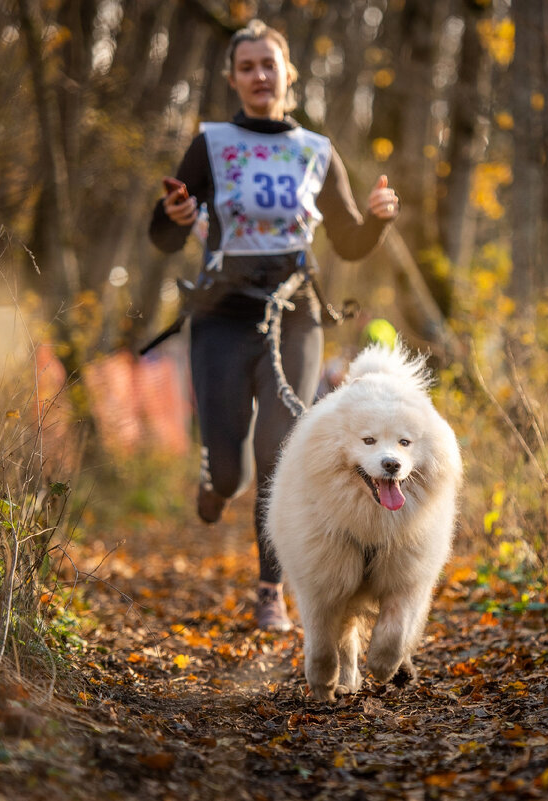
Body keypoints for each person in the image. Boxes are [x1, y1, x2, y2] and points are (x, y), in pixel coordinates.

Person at [149, 20, 399, 631]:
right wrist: (175, 213)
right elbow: (163, 235)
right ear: (233, 79)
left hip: (296, 314)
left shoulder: (316, 149)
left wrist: (376, 219)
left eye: (270, 64)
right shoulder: (212, 142)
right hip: (220, 316)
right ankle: (216, 481)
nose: (261, 75)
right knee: (233, 466)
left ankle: (270, 588)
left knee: (281, 456)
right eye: (248, 66)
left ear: (289, 73)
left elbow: (347, 240)